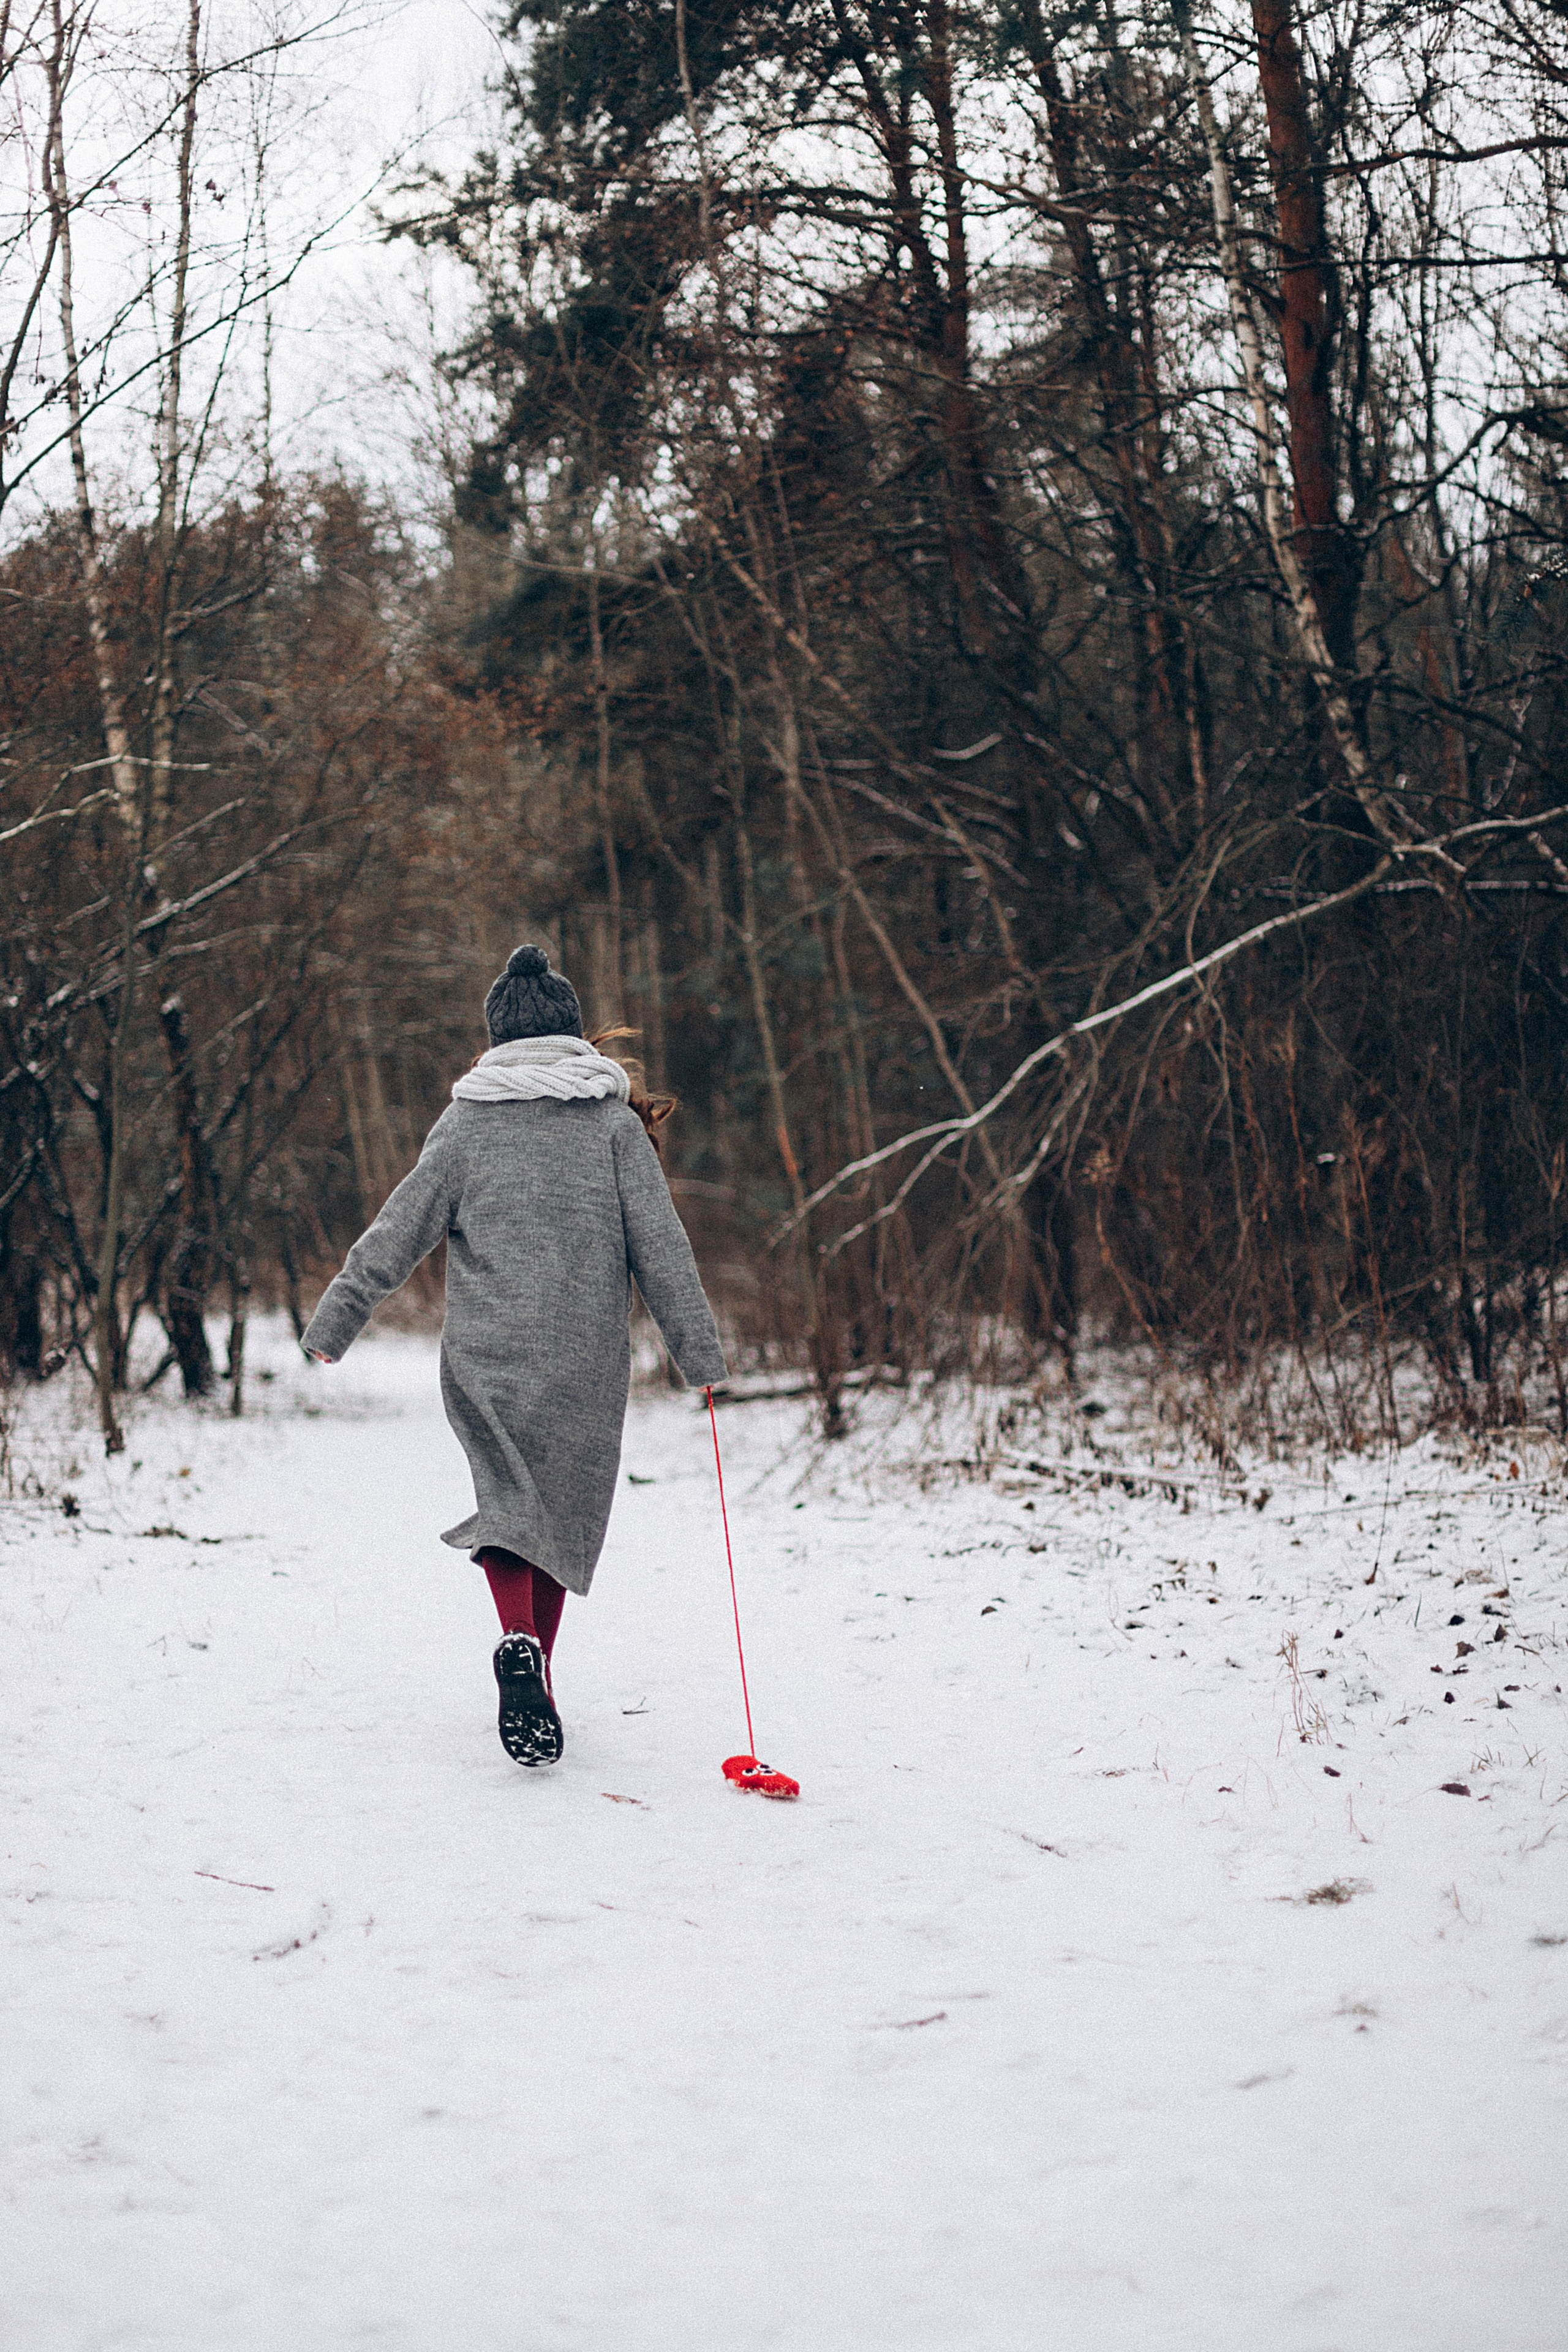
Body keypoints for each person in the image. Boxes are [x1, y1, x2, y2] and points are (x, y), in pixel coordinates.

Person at [301, 943, 728, 1767]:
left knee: (507, 1502)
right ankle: (538, 1668)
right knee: (560, 1516)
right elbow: (663, 1251)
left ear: (496, 1043)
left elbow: (398, 1232)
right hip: (584, 1358)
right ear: (575, 1040)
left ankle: (519, 1645)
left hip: (486, 1350)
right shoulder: (612, 1127)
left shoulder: (465, 1124)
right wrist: (699, 1356)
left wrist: (336, 1320)